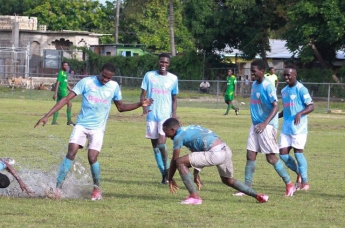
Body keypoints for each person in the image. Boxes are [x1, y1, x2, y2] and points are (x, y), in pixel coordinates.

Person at [34, 63, 153, 200]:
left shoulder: (114, 87)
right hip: (81, 126)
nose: (105, 80)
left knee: (92, 157)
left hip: (98, 129)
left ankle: (96, 189)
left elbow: (121, 107)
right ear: (100, 71)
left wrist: (140, 104)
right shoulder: (87, 82)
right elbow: (66, 99)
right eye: (104, 76)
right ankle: (58, 188)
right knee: (71, 153)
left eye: (109, 78)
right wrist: (47, 115)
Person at [163, 118, 269, 205]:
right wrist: (196, 174)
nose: (166, 136)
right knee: (228, 180)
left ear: (172, 129)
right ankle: (259, 196)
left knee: (180, 162)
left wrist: (170, 178)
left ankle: (194, 197)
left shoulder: (178, 137)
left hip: (216, 153)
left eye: (166, 132)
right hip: (225, 149)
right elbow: (199, 151)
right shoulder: (191, 128)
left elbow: (174, 160)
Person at [233, 59, 295, 197]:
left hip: (266, 126)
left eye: (254, 71)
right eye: (251, 71)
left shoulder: (268, 86)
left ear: (262, 71)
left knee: (271, 158)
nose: (252, 74)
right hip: (256, 125)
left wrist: (265, 123)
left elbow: (276, 106)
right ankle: (246, 188)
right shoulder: (254, 84)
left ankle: (289, 184)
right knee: (250, 154)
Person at [140, 53, 179, 184]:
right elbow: (143, 94)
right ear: (158, 62)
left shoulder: (173, 78)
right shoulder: (149, 76)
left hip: (165, 117)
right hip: (152, 115)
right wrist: (144, 107)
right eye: (162, 62)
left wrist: (174, 114)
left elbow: (174, 98)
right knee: (155, 147)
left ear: (169, 64)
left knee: (162, 145)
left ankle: (167, 172)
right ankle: (164, 173)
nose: (163, 65)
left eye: (166, 63)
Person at [278, 65, 314, 191]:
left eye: (289, 75)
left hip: (299, 129)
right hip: (286, 128)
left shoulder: (301, 89)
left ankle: (305, 182)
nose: (286, 77)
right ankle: (299, 172)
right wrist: (277, 116)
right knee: (282, 155)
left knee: (298, 155)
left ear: (295, 75)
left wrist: (300, 113)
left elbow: (311, 106)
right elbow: (287, 109)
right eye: (285, 75)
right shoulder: (284, 91)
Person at [52, 62, 75, 126]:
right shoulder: (61, 72)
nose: (66, 66)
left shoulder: (65, 73)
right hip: (62, 91)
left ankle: (54, 121)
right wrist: (55, 93)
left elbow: (66, 83)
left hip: (63, 91)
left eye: (67, 65)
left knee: (58, 105)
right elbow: (58, 82)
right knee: (69, 104)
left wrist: (71, 90)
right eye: (64, 65)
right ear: (62, 66)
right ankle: (69, 121)